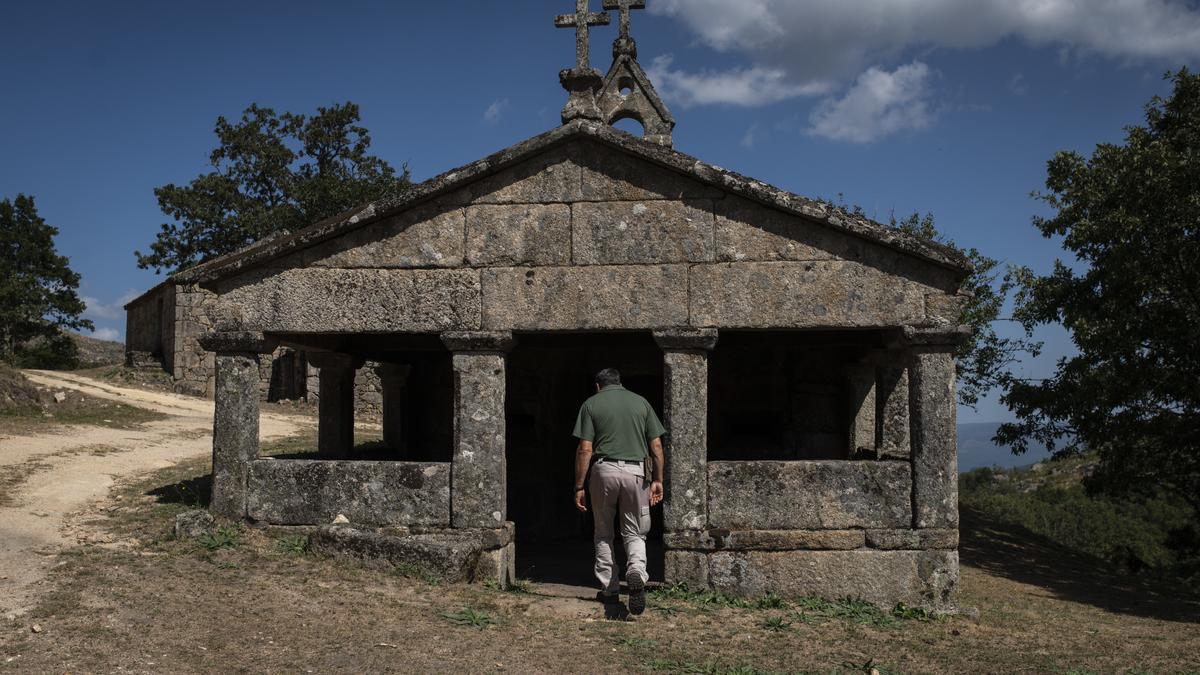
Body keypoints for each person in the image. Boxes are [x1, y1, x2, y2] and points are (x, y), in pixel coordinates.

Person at [572, 367, 665, 616]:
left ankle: (610, 588)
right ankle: (635, 571)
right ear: (620, 383)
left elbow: (585, 448)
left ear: (598, 386)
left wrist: (579, 485)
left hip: (604, 470)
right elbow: (656, 445)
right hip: (636, 472)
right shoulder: (641, 403)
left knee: (603, 532)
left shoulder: (591, 404)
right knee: (635, 532)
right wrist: (658, 479)